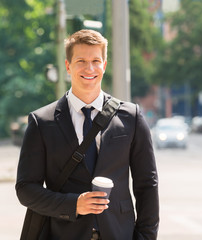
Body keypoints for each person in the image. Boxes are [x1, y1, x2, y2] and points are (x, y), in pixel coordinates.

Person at [16, 29, 159, 240]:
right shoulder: (41, 122)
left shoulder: (132, 117)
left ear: (104, 65)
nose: (89, 68)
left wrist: (145, 238)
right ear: (68, 66)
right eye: (81, 60)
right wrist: (73, 204)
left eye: (95, 60)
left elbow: (147, 185)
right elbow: (26, 189)